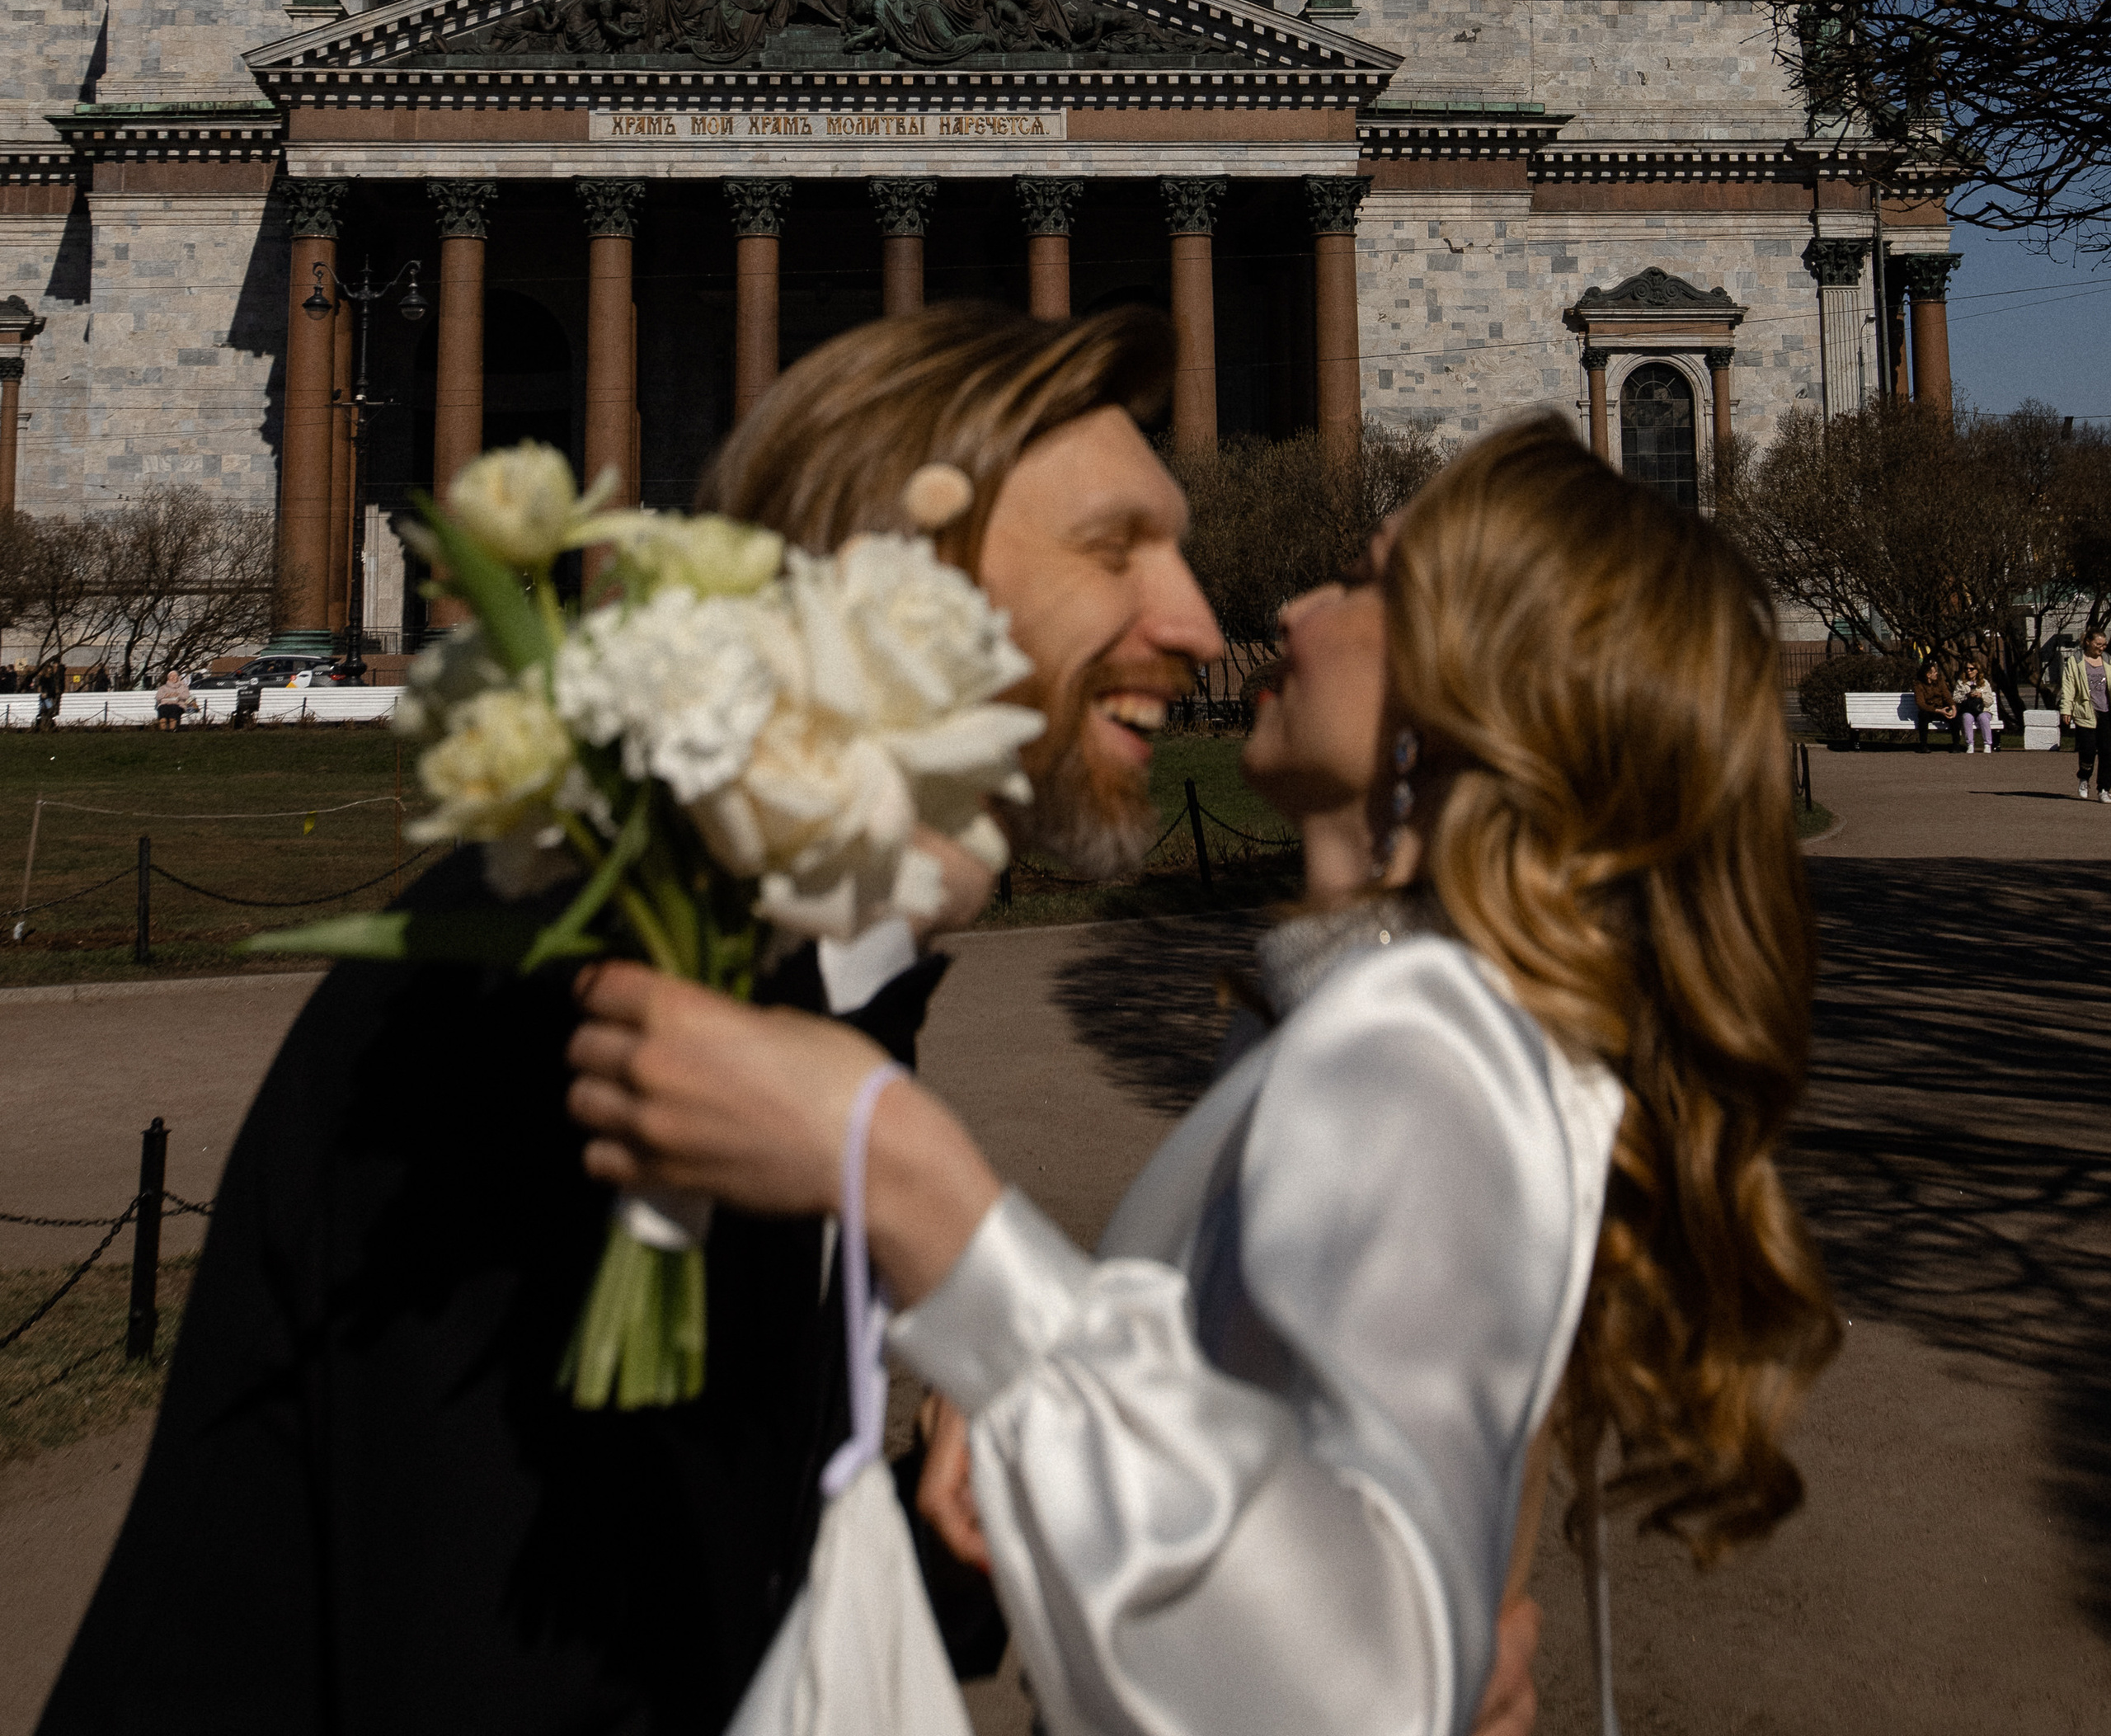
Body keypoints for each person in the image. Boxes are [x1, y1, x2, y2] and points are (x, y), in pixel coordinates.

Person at [35, 305, 1218, 1736]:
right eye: (1116, 548)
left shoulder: (800, 979)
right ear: (904, 583)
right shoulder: (585, 1003)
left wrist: (932, 1545)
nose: (1200, 623)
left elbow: (669, 1600)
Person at [567, 417, 1839, 1736]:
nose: (1291, 605)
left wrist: (917, 1189)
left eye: (1366, 579)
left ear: (1468, 683)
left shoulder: (1426, 1041)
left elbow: (1367, 1688)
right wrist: (1029, 1417)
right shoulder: (1393, 1015)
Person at [2061, 621, 2109, 801]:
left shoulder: (2108, 660)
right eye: (2098, 644)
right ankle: (2084, 777)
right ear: (2088, 642)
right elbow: (2068, 687)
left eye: (2104, 645)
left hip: (2106, 712)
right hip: (2085, 711)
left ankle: (2104, 788)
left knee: (2107, 751)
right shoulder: (2076, 661)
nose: (2101, 648)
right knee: (2088, 750)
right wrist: (2066, 709)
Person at [1912, 653, 1960, 752]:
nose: (1936, 674)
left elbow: (1946, 695)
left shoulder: (1939, 681)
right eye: (1934, 672)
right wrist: (1938, 711)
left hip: (1942, 708)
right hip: (1930, 710)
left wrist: (1953, 706)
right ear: (1928, 675)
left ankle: (1956, 745)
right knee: (1923, 716)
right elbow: (1921, 704)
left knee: (1955, 717)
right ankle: (1924, 745)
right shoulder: (1918, 685)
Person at [1953, 650, 2000, 754]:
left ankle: (1987, 744)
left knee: (1983, 718)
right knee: (1966, 717)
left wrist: (1981, 696)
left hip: (1982, 709)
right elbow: (1955, 698)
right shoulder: (1961, 682)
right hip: (1968, 709)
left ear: (1977, 670)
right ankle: (1970, 744)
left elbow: (1990, 701)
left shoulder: (1984, 683)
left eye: (1971, 669)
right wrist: (1966, 695)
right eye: (1967, 669)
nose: (1968, 671)